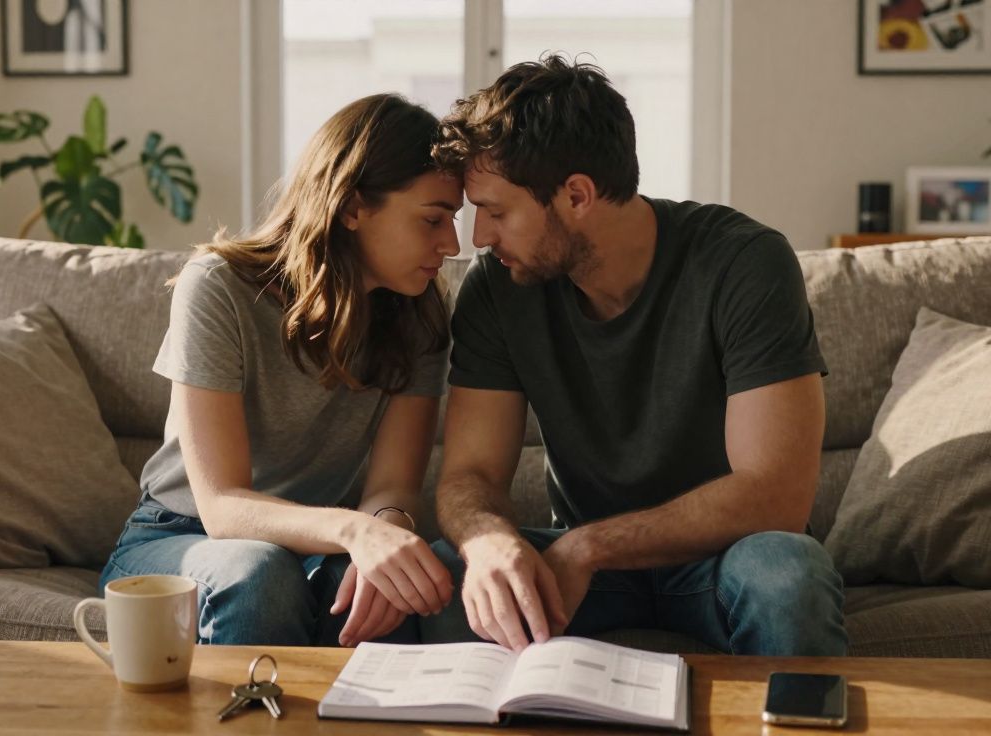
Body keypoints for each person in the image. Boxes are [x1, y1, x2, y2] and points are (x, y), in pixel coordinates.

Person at [421, 55, 847, 656]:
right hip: (580, 569)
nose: (481, 239)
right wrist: (489, 541)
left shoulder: (743, 263)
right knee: (454, 577)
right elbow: (471, 476)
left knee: (789, 571)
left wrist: (589, 547)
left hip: (724, 560)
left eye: (496, 211)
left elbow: (775, 494)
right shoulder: (497, 288)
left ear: (576, 195)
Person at [100, 93, 462, 647]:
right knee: (261, 575)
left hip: (325, 543)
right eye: (433, 219)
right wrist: (354, 529)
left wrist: (383, 535)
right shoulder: (219, 286)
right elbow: (221, 507)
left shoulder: (421, 314)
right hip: (180, 535)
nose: (452, 244)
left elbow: (392, 487)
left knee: (387, 587)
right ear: (353, 207)